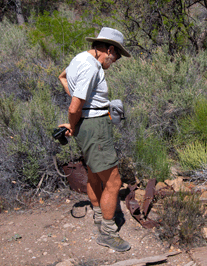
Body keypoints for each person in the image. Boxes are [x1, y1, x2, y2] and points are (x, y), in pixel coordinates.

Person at [58, 27, 131, 252]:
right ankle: (108, 233)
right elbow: (74, 105)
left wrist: (78, 117)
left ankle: (100, 217)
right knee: (113, 182)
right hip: (95, 126)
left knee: (93, 173)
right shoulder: (91, 67)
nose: (115, 61)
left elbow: (62, 77)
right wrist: (73, 119)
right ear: (109, 50)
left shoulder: (78, 59)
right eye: (116, 57)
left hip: (85, 125)